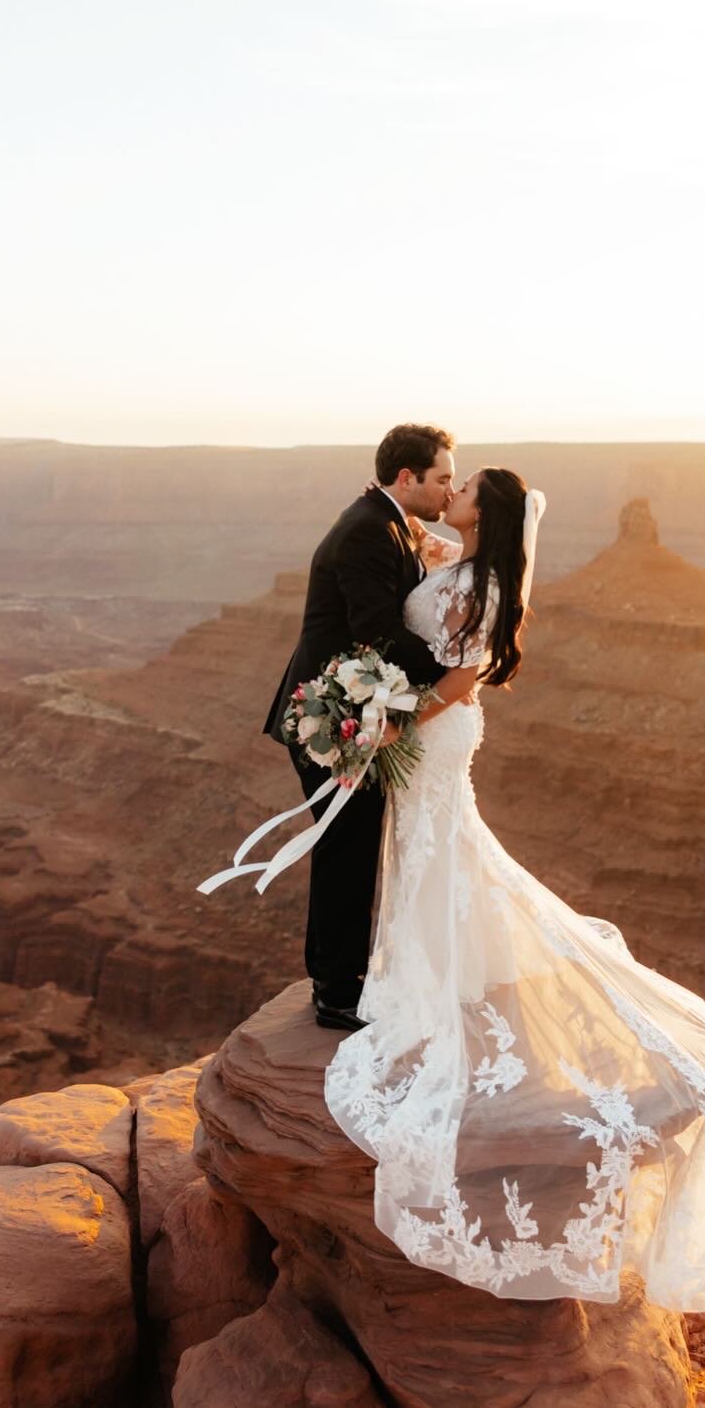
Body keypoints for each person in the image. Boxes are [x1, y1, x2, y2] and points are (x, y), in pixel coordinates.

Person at [322, 465, 705, 1313]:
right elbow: (434, 596)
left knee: (444, 852)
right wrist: (433, 559)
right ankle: (446, 972)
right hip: (434, 725)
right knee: (436, 854)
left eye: (465, 485)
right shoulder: (467, 566)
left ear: (489, 509)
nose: (454, 489)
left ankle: (440, 981)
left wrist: (387, 725)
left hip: (436, 726)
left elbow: (463, 676)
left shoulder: (484, 584)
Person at [263, 424, 455, 1031]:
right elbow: (379, 632)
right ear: (408, 478)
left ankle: (338, 977)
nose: (449, 490)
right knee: (347, 848)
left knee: (350, 844)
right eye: (443, 478)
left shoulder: (388, 521)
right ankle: (336, 992)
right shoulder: (370, 531)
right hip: (331, 716)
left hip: (352, 708)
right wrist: (457, 669)